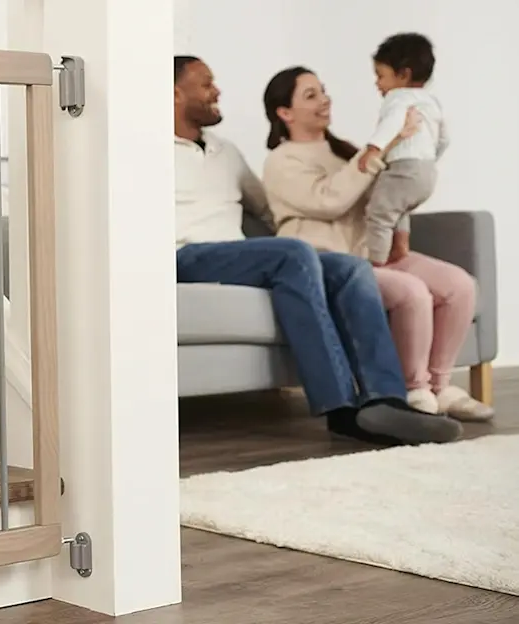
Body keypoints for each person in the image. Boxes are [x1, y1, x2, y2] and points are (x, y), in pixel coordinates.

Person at [174, 55, 462, 445]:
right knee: (293, 253)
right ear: (174, 94)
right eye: (206, 85)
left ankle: (385, 401)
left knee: (348, 268)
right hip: (184, 256)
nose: (217, 91)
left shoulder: (224, 152)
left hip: (236, 254)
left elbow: (269, 209)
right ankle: (341, 408)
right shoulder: (146, 154)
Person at [260, 65, 493, 422]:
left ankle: (440, 386)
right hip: (331, 262)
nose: (325, 99)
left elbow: (391, 198)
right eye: (311, 95)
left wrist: (402, 233)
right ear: (284, 113)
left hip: (373, 253)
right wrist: (380, 149)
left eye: (323, 90)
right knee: (411, 291)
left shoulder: (348, 152)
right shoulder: (281, 161)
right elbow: (329, 200)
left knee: (459, 285)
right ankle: (413, 389)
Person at [356, 33, 449, 265]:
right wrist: (429, 158)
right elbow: (445, 138)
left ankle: (375, 263)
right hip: (427, 173)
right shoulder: (431, 101)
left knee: (378, 214)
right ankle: (401, 246)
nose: (377, 83)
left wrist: (373, 149)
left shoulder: (398, 97)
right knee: (399, 207)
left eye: (381, 76)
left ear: (403, 75)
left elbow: (393, 122)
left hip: (405, 167)